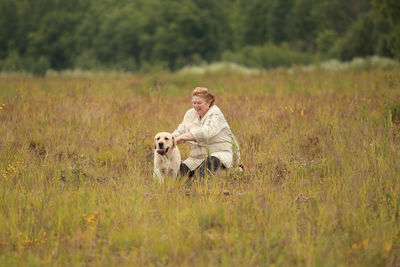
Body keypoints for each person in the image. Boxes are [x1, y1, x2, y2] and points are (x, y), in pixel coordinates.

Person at [173, 87, 240, 180]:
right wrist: (169, 139)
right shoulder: (190, 114)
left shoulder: (215, 113)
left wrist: (181, 138)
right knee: (177, 176)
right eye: (194, 103)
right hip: (197, 158)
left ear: (209, 103)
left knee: (198, 177)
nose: (196, 106)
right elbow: (180, 130)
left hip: (220, 154)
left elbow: (206, 133)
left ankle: (236, 170)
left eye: (199, 103)